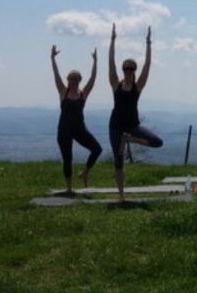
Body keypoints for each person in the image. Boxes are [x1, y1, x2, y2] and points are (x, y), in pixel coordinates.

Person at [108, 24, 163, 202]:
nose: (129, 70)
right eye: (126, 68)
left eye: (132, 68)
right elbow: (110, 61)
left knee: (157, 142)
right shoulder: (115, 84)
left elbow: (147, 64)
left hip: (133, 126)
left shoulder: (138, 86)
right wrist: (113, 39)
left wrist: (148, 42)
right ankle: (121, 196)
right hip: (115, 125)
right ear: (123, 69)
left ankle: (128, 140)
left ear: (134, 71)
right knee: (118, 161)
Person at [50, 44, 102, 192]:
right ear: (67, 80)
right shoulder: (62, 91)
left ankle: (85, 172)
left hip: (79, 129)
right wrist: (52, 59)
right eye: (71, 79)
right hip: (64, 131)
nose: (73, 82)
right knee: (68, 159)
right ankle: (69, 189)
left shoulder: (83, 93)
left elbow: (92, 79)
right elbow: (56, 75)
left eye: (76, 79)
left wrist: (95, 62)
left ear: (79, 80)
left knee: (97, 149)